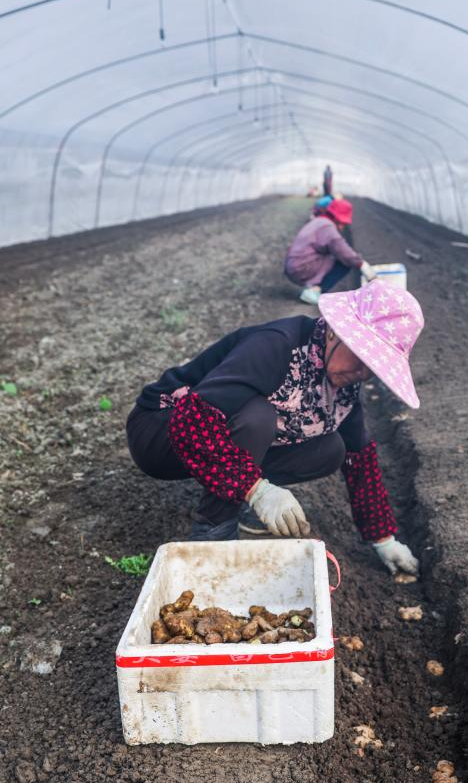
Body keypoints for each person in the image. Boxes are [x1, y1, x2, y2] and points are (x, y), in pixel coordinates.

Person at [126, 281, 423, 575]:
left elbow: (358, 459)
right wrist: (256, 490)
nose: (363, 373)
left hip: (214, 446)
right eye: (361, 358)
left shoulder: (344, 387)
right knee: (258, 416)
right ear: (335, 331)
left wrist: (383, 538)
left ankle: (236, 491)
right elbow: (191, 421)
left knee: (332, 450)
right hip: (159, 433)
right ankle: (213, 530)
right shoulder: (278, 346)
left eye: (373, 368)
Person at [284, 199, 376, 306]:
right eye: (342, 223)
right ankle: (314, 291)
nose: (342, 226)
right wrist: (361, 264)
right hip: (301, 268)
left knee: (333, 255)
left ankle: (313, 287)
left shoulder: (318, 221)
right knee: (344, 262)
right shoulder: (327, 227)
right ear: (335, 217)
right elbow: (342, 250)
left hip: (294, 265)